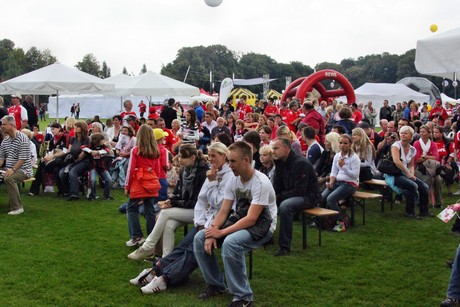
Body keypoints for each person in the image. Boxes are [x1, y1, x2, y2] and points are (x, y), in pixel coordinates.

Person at [129, 143, 234, 294]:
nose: (210, 159)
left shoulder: (223, 175)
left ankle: (165, 278)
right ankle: (155, 270)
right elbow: (202, 201)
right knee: (181, 247)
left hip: (220, 223)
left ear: (224, 156)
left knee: (192, 250)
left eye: (213, 156)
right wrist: (199, 222)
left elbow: (219, 203)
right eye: (209, 155)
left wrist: (211, 182)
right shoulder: (211, 172)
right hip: (204, 219)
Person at [193, 141, 277, 307]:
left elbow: (252, 219)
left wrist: (221, 233)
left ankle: (243, 297)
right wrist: (213, 230)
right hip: (241, 218)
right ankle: (217, 285)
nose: (229, 165)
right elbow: (224, 211)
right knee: (199, 238)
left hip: (263, 225)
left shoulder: (261, 182)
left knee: (231, 243)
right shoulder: (234, 179)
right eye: (229, 161)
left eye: (233, 161)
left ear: (246, 160)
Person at [127, 144, 208, 257]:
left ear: (193, 158)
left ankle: (148, 246)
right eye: (179, 156)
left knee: (164, 213)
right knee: (168, 224)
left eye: (182, 157)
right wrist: (170, 200)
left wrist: (173, 203)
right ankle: (165, 258)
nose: (179, 160)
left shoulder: (203, 173)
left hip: (199, 212)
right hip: (186, 208)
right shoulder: (185, 170)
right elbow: (177, 192)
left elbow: (197, 202)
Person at [272, 137, 320, 256]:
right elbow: (277, 184)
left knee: (285, 206)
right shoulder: (280, 162)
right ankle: (264, 237)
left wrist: (280, 196)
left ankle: (284, 246)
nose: (273, 151)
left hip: (309, 197)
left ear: (286, 149)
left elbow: (300, 190)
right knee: (265, 201)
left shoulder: (300, 163)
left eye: (276, 148)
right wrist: (272, 196)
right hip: (292, 194)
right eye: (273, 148)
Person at [125, 124, 162, 247]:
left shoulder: (136, 150)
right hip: (151, 181)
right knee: (149, 210)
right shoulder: (155, 151)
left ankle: (137, 236)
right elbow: (157, 170)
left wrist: (127, 187)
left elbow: (130, 170)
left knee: (131, 208)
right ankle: (151, 238)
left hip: (139, 182)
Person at [391, 125, 432, 219]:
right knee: (413, 186)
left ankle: (424, 211)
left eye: (406, 133)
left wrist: (412, 174)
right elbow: (396, 161)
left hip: (406, 173)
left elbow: (411, 165)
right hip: (395, 174)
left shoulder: (413, 149)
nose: (403, 135)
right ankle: (409, 212)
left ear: (411, 136)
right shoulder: (396, 146)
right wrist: (408, 173)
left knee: (424, 187)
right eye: (401, 133)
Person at [321, 134, 360, 232]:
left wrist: (344, 167)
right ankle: (321, 220)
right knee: (322, 197)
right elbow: (333, 171)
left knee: (331, 199)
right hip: (338, 181)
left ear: (350, 144)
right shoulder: (337, 156)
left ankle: (341, 223)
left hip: (350, 184)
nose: (342, 145)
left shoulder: (354, 158)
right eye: (341, 143)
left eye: (345, 143)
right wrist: (331, 182)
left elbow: (354, 176)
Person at [0, 115, 33, 215]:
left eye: (4, 124)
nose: (2, 126)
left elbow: (22, 159)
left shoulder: (22, 138)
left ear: (12, 125)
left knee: (9, 178)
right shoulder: (6, 140)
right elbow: (1, 158)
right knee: (7, 176)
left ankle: (17, 208)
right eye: (2, 124)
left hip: (24, 169)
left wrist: (12, 170)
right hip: (9, 169)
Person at [30, 122, 69, 196]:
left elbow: (65, 151)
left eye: (53, 129)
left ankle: (34, 189)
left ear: (59, 129)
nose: (52, 131)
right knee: (43, 165)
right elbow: (50, 151)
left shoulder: (65, 137)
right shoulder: (52, 139)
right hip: (56, 161)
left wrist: (53, 156)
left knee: (41, 166)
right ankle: (35, 189)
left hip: (63, 160)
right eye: (51, 130)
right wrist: (45, 157)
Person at [413, 125, 443, 208]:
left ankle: (439, 202)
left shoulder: (433, 144)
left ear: (429, 134)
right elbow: (417, 160)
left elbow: (436, 157)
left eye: (424, 132)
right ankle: (423, 200)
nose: (421, 133)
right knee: (429, 178)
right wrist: (430, 157)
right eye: (420, 132)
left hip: (432, 168)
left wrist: (424, 156)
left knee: (438, 180)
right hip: (419, 168)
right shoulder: (417, 143)